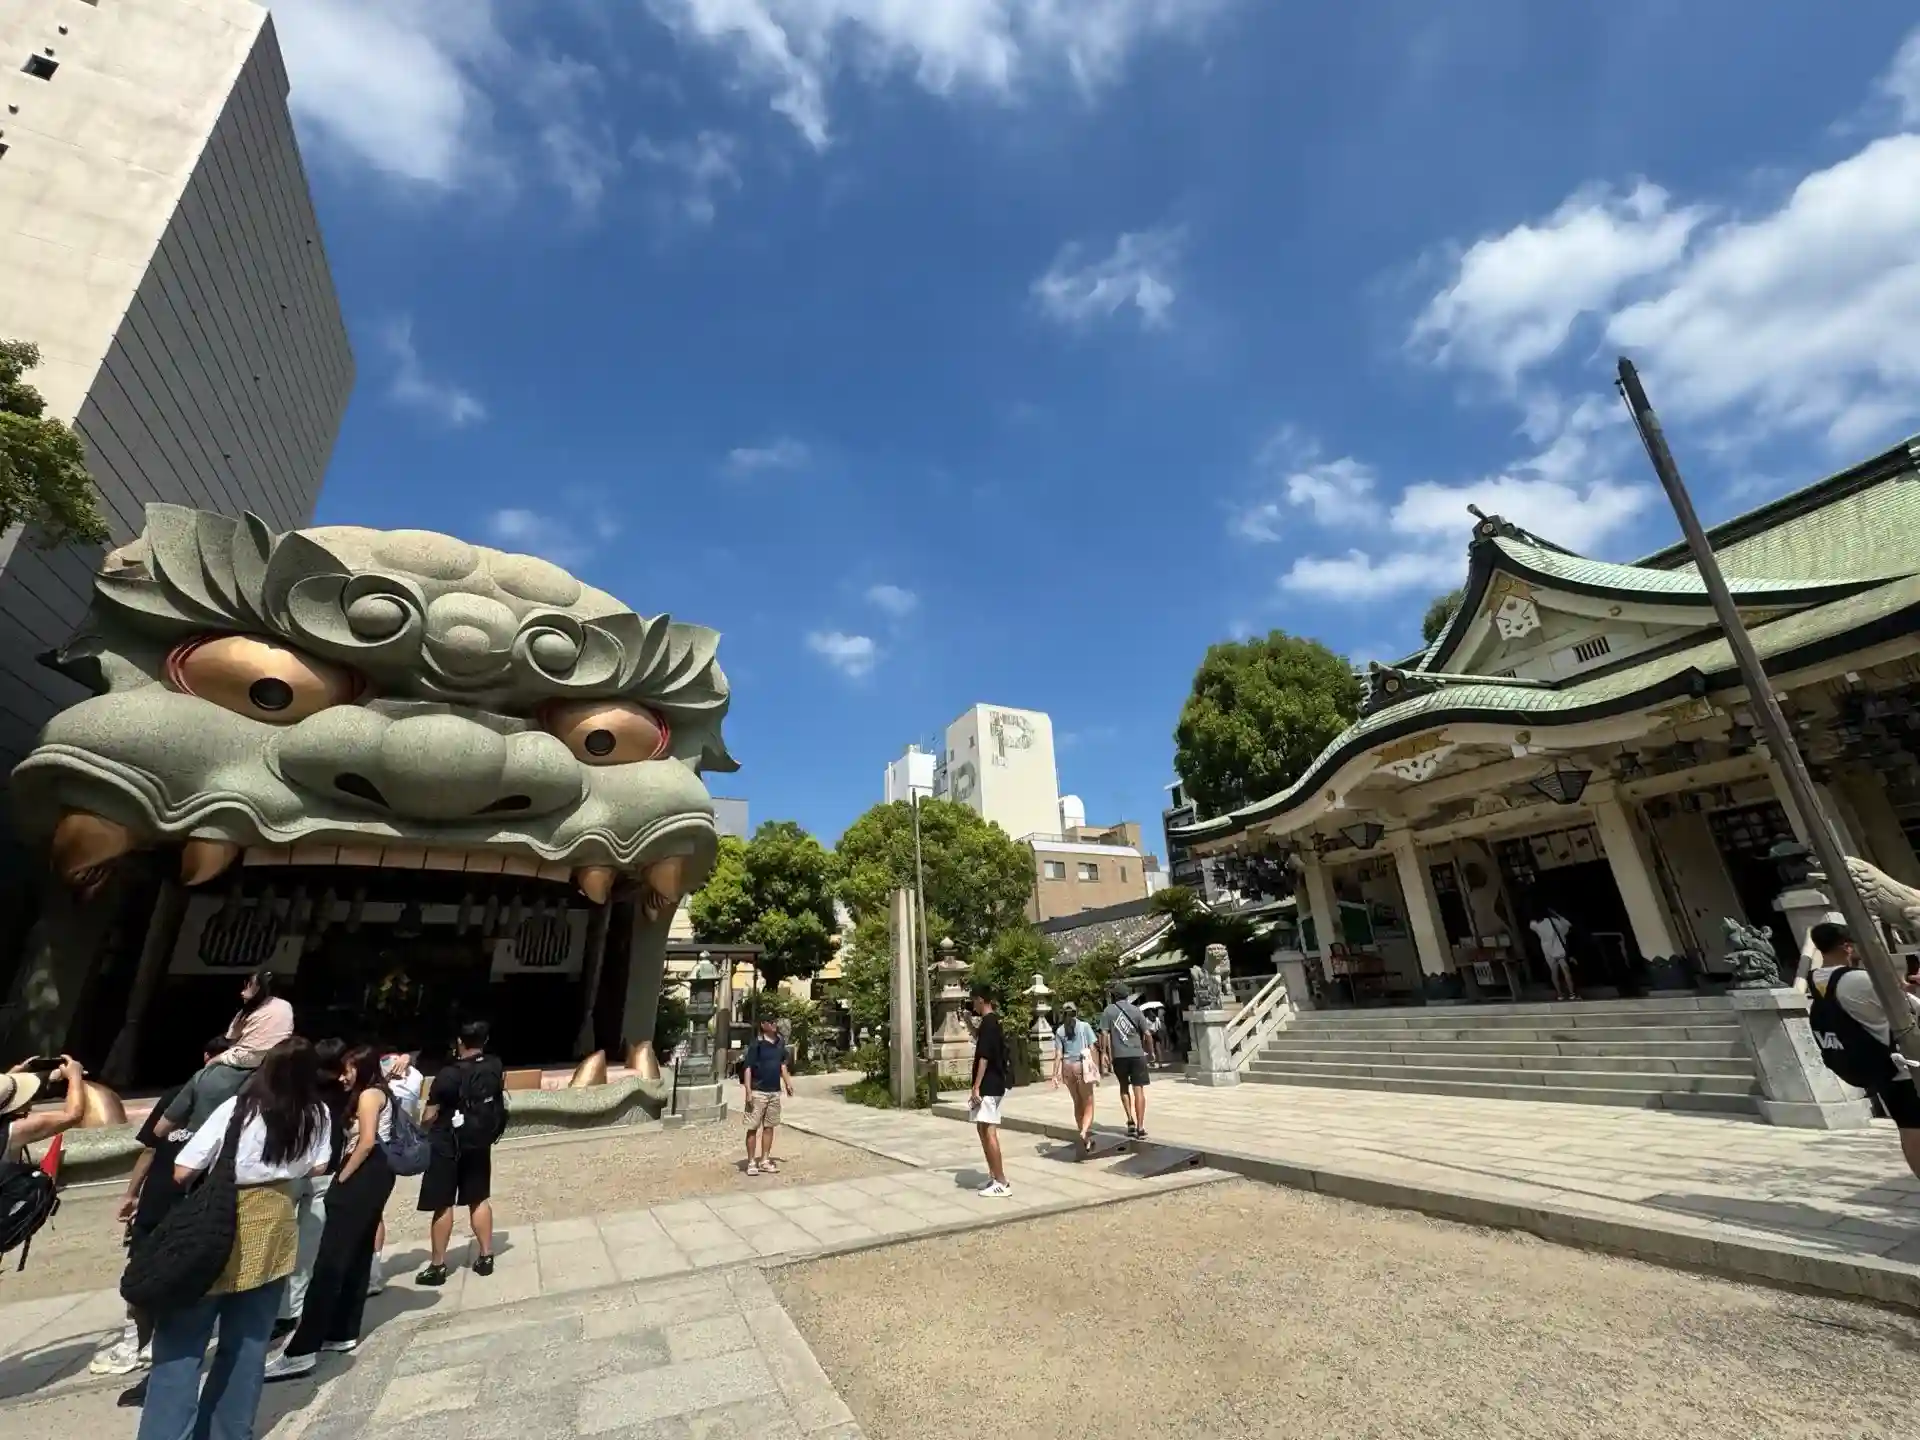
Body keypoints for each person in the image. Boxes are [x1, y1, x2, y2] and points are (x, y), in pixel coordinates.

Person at [137, 1038, 332, 1440]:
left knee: (181, 1345)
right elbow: (319, 1165)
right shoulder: (318, 1113)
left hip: (219, 1225)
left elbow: (183, 1169)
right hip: (275, 1229)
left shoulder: (239, 1108)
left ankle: (166, 1433)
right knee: (248, 1343)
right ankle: (227, 1431)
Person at [95, 1035, 233, 1399]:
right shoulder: (177, 1095)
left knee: (182, 1286)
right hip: (156, 1203)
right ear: (206, 1059)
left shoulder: (235, 1104)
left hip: (193, 1208)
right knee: (139, 1280)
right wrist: (131, 1193)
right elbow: (151, 1148)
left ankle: (162, 1357)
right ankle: (138, 1343)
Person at [266, 1045, 395, 1379]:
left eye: (349, 1068)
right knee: (357, 1256)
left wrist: (342, 1177)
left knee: (330, 1262)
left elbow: (366, 1141)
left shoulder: (369, 1095)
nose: (343, 1076)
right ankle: (341, 1331)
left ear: (361, 1068)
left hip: (363, 1173)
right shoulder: (379, 1092)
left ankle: (301, 1350)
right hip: (377, 1175)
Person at [1807, 924, 1920, 1179]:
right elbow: (1913, 1009)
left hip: (1879, 1068)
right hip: (1905, 1068)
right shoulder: (1860, 980)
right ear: (1847, 946)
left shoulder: (1817, 980)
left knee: (1908, 1128)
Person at [414, 1020, 504, 1286]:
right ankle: (485, 1256)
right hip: (479, 1140)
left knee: (443, 1203)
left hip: (447, 1143)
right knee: (479, 1198)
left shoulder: (448, 1075)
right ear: (485, 1041)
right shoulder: (494, 1065)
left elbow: (429, 1115)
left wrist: (420, 1128)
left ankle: (438, 1265)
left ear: (460, 1042)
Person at [275, 1038, 349, 1340]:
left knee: (283, 1244)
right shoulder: (344, 1091)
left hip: (289, 1171)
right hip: (322, 1172)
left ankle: (284, 1311)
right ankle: (294, 1309)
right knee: (308, 1248)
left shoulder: (294, 1090)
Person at [366, 1049, 421, 1297]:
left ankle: (372, 1274)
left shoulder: (375, 1095)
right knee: (374, 1215)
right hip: (385, 1157)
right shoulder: (405, 1084)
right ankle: (372, 1273)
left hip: (372, 1158)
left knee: (371, 1215)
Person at [968, 984, 1012, 1197]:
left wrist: (976, 1086)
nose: (972, 1005)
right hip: (991, 1083)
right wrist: (969, 1023)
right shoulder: (991, 1023)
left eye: (974, 1001)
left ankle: (1001, 1181)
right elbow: (981, 1041)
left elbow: (984, 1057)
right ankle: (994, 1175)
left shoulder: (989, 1023)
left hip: (989, 1084)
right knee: (982, 1128)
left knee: (988, 1130)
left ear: (980, 999)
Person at [1098, 982, 1156, 1140]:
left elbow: (1104, 1034)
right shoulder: (1136, 1010)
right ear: (1127, 995)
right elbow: (1147, 1034)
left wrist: (1104, 1053)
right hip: (1137, 1055)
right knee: (1139, 1090)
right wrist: (1151, 1052)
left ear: (1114, 996)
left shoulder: (1108, 1011)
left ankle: (1130, 1120)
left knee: (1124, 1087)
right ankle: (1140, 1127)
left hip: (1119, 1056)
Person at [1, 1052, 87, 1157]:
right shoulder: (14, 1132)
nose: (29, 1099)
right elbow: (73, 1115)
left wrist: (11, 1078)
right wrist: (75, 1075)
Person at [740, 1016, 793, 1177]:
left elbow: (782, 1064)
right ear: (763, 1025)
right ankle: (751, 1161)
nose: (774, 1024)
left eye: (775, 1021)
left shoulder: (780, 1042)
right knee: (752, 1127)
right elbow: (748, 1067)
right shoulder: (756, 1044)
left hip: (774, 1090)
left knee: (769, 1126)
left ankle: (764, 1159)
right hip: (758, 1090)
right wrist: (748, 1091)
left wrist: (787, 1082)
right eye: (770, 1022)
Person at [217, 966, 296, 1069]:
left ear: (259, 988)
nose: (242, 993)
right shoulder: (286, 1006)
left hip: (249, 1060)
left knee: (211, 1062)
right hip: (278, 1059)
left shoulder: (247, 1011)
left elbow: (230, 1039)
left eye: (249, 985)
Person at [1051, 1002, 1098, 1151]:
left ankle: (1085, 1138)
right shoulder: (1085, 1026)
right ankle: (1084, 1131)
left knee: (1077, 1102)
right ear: (1076, 1013)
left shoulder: (1060, 1031)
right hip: (1081, 1065)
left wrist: (1054, 1074)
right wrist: (1096, 1069)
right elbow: (1092, 1048)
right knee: (1088, 1102)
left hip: (1067, 1067)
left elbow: (1058, 1054)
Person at [1529, 907, 1578, 1001]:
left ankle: (1560, 994)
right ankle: (1572, 994)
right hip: (1559, 949)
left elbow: (1531, 925)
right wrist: (1556, 914)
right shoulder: (1554, 921)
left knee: (1554, 973)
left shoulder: (1535, 925)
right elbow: (1567, 925)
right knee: (1566, 972)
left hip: (1548, 951)